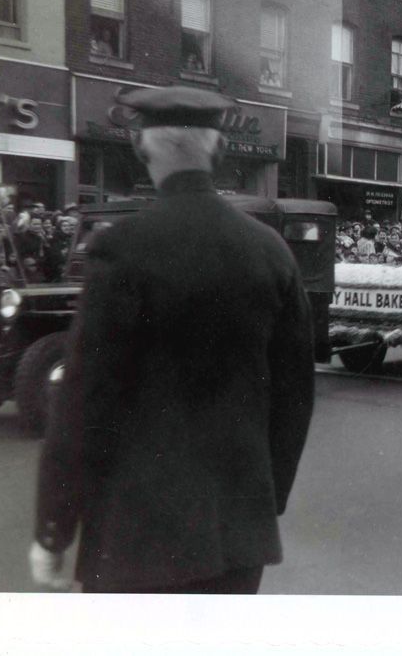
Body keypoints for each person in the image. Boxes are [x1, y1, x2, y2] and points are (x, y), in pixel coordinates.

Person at [30, 85, 316, 595]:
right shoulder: (271, 251)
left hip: (136, 532)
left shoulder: (120, 249)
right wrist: (265, 496)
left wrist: (54, 529)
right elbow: (295, 394)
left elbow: (83, 398)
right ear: (220, 151)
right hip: (237, 532)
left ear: (142, 151)